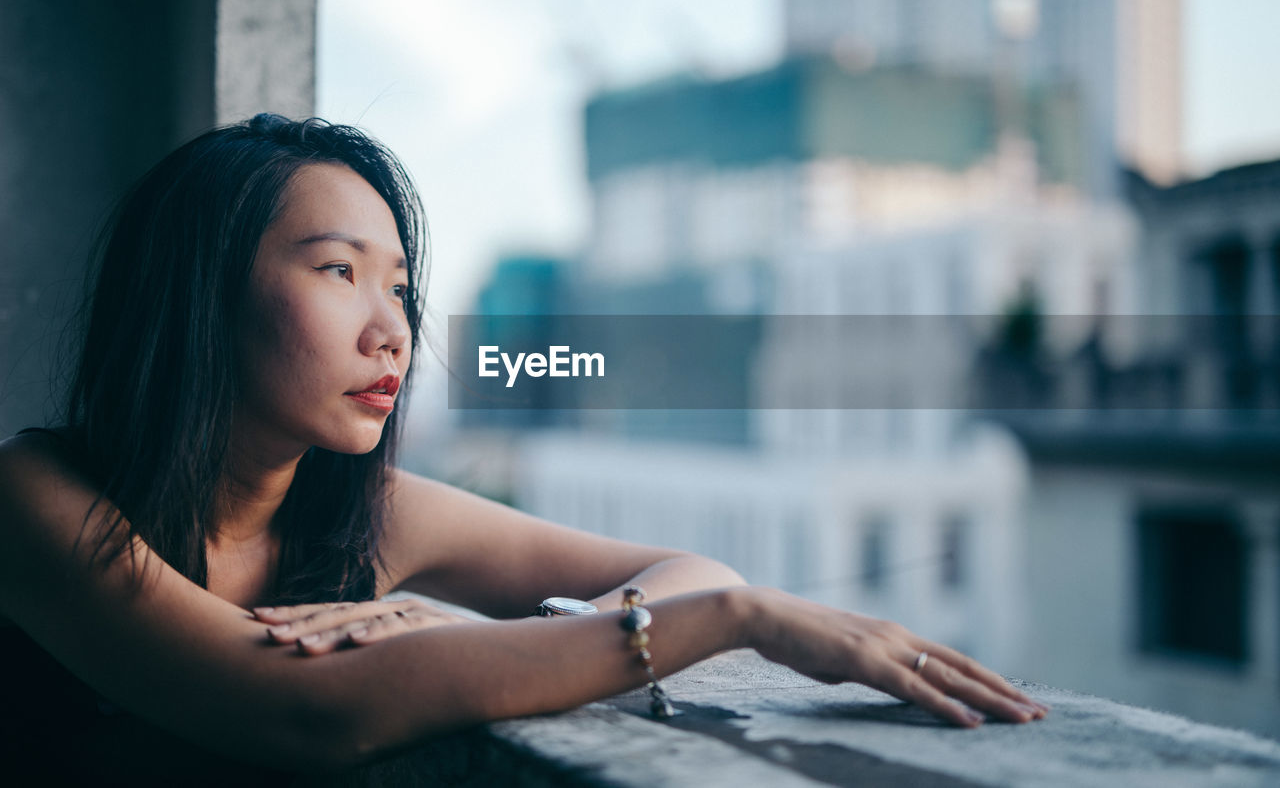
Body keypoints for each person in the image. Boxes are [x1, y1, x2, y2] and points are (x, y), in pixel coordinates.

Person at [0, 114, 1047, 781]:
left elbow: (687, 568)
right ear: (202, 298)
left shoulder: (362, 511)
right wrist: (741, 620)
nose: (393, 330)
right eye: (336, 272)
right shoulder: (37, 496)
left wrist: (552, 622)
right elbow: (302, 711)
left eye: (401, 288)